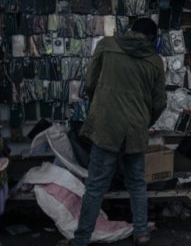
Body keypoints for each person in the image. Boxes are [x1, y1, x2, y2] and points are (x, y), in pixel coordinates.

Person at [71, 17, 166, 246]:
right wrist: (144, 121)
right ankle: (141, 232)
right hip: (134, 130)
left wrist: (103, 106)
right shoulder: (154, 61)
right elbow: (159, 102)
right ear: (152, 39)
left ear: (130, 30)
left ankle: (82, 239)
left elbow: (90, 83)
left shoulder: (106, 45)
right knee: (136, 183)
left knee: (95, 186)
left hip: (106, 128)